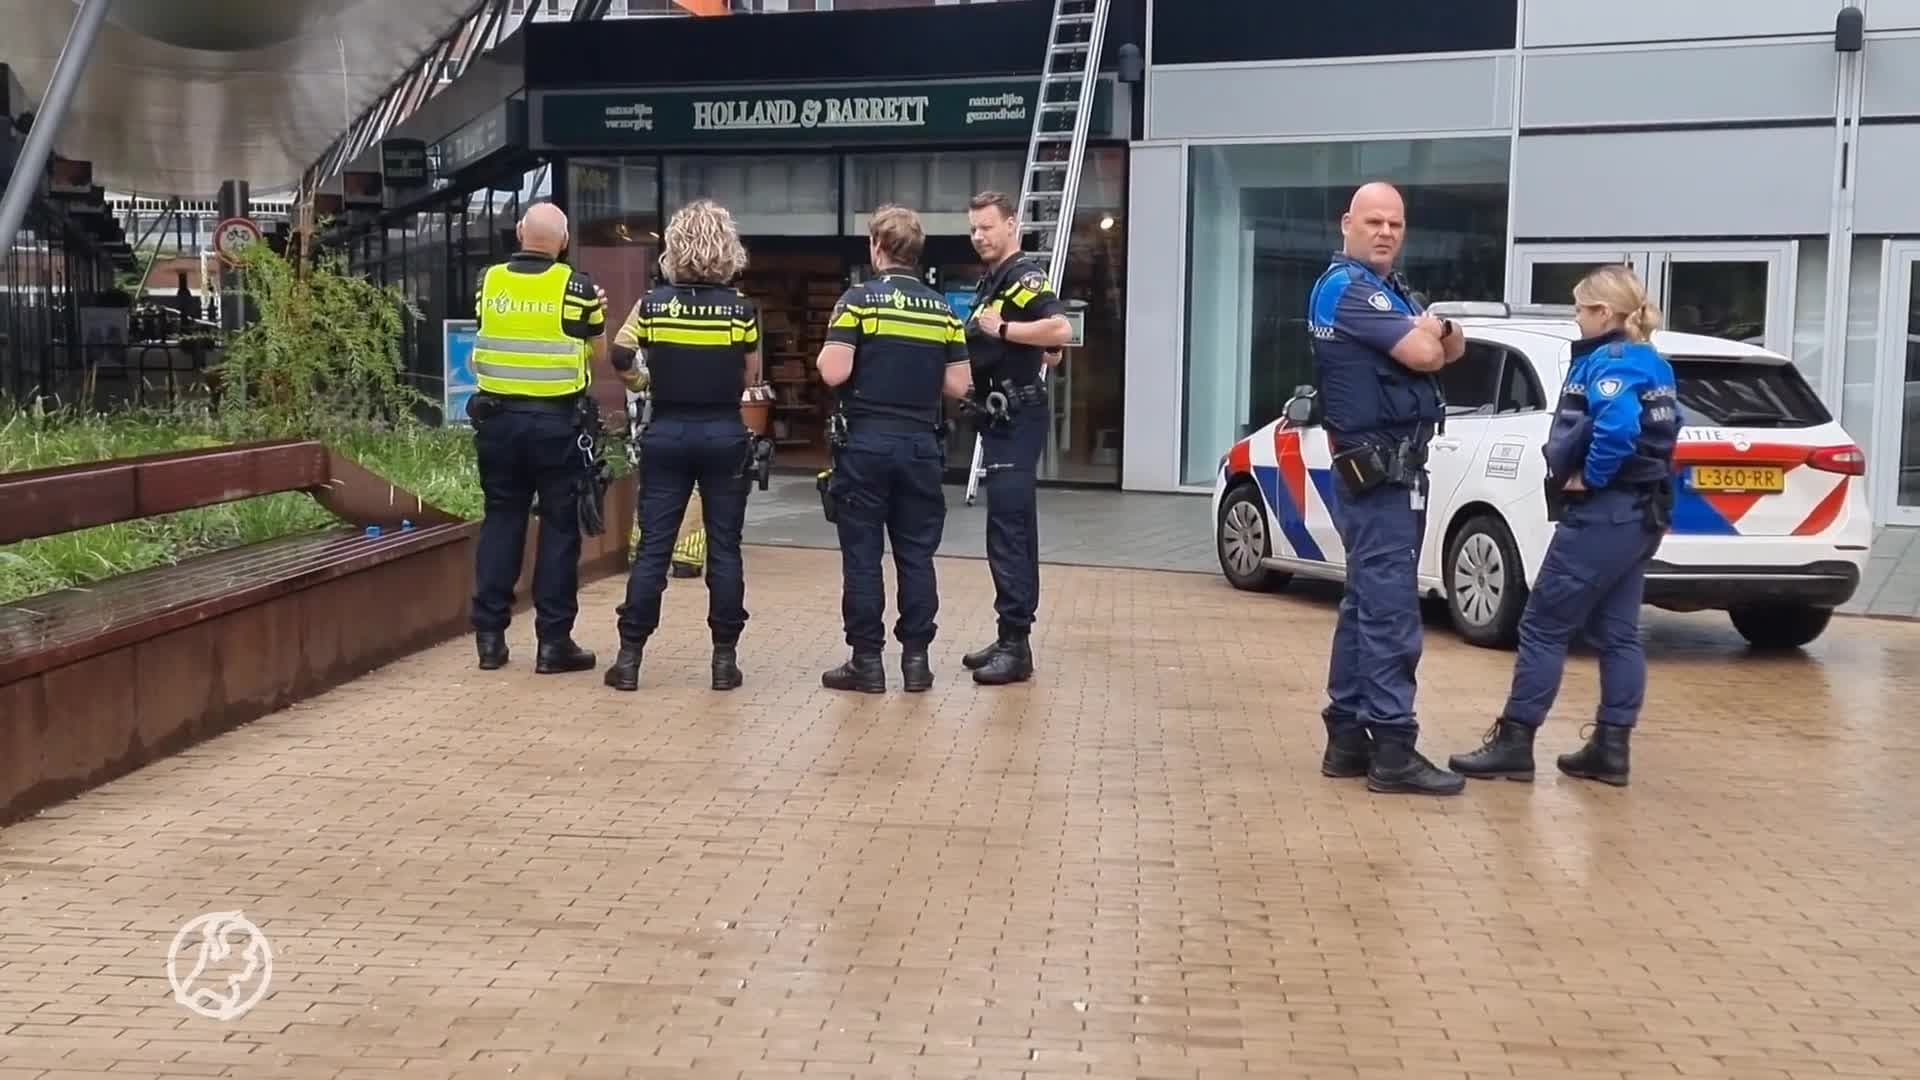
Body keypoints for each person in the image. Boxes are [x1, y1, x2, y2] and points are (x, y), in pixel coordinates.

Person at [1448, 266, 1680, 786]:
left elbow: (1618, 428)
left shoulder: (1611, 362)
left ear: (1604, 313)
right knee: (1619, 633)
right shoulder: (1656, 363)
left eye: (1580, 309)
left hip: (1604, 513)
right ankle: (1611, 747)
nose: (1576, 318)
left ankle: (1516, 741)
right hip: (1643, 513)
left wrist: (1589, 479)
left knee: (1542, 624)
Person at [1309, 181, 1467, 796]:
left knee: (1364, 606)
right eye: (1373, 221)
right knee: (1390, 611)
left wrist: (1440, 330)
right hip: (1377, 475)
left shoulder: (1387, 290)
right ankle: (1393, 747)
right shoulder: (1347, 289)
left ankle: (1347, 739)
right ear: (1346, 224)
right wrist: (1433, 336)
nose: (1385, 233)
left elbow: (1452, 344)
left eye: (1395, 224)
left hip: (1390, 471)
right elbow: (1428, 355)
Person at [604, 199, 763, 693]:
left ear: (676, 247)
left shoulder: (653, 303)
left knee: (654, 547)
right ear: (726, 248)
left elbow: (620, 351)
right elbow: (752, 376)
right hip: (723, 434)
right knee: (725, 548)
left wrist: (641, 381)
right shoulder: (741, 310)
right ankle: (723, 660)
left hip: (667, 433)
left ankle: (629, 659)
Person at [815, 205, 975, 694]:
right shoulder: (943, 309)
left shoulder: (858, 301)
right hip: (921, 445)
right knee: (916, 555)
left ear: (876, 248)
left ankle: (866, 662)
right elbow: (958, 384)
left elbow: (833, 371)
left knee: (863, 556)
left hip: (865, 443)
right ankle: (917, 661)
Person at [467, 202, 607, 676]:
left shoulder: (489, 281)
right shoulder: (578, 288)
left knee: (502, 519)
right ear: (564, 242)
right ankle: (553, 643)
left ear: (520, 231)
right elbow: (596, 352)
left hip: (497, 422)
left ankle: (489, 639)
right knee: (559, 529)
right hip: (557, 426)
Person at [958, 190, 1073, 686]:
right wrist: (1034, 343)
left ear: (1012, 225)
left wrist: (1002, 329)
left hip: (1017, 417)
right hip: (1001, 418)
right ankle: (1009, 633)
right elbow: (1051, 348)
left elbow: (1062, 329)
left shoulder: (1023, 276)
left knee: (1010, 531)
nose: (979, 236)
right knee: (1005, 527)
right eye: (974, 229)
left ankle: (1016, 645)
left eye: (987, 226)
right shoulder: (994, 280)